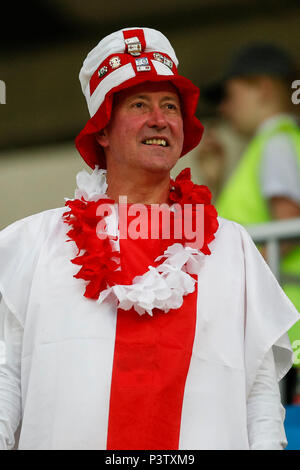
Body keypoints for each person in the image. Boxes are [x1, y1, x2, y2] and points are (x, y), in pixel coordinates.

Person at [0, 28, 299, 451]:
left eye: (170, 106)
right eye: (140, 104)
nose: (159, 119)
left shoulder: (231, 247)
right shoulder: (29, 243)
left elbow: (260, 394)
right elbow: (5, 377)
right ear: (102, 131)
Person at [201, 43, 300, 403]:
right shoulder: (271, 145)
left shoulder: (275, 142)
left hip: (288, 325)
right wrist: (219, 181)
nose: (224, 108)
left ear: (264, 89)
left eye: (229, 94)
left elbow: (286, 226)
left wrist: (226, 281)